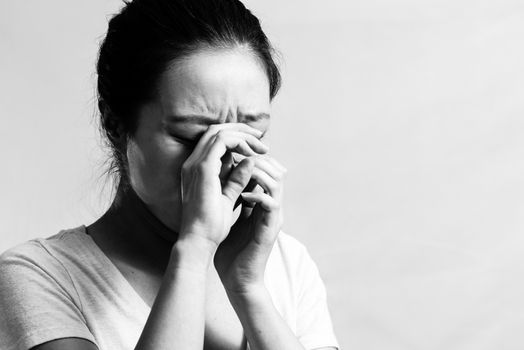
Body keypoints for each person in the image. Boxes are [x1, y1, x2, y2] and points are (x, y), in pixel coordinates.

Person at [0, 0, 340, 349]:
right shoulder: (39, 276)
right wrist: (194, 250)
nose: (222, 161)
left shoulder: (285, 263)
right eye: (191, 137)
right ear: (114, 124)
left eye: (251, 134)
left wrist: (248, 288)